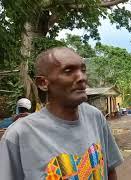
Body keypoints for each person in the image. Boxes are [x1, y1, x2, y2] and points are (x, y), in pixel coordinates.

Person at [0, 47, 123, 180]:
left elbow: (110, 171)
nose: (82, 78)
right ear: (43, 83)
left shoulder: (95, 117)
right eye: (68, 71)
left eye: (83, 70)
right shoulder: (19, 135)